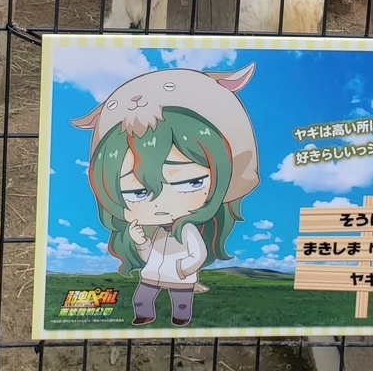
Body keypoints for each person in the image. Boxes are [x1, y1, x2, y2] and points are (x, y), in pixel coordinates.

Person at [72, 64, 259, 328]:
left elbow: (197, 254)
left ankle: (182, 318)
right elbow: (150, 253)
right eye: (137, 192)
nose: (161, 204)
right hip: (152, 273)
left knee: (181, 301)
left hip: (179, 276)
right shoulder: (158, 231)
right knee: (142, 297)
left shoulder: (188, 230)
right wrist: (140, 242)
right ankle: (144, 314)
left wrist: (184, 270)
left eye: (191, 182)